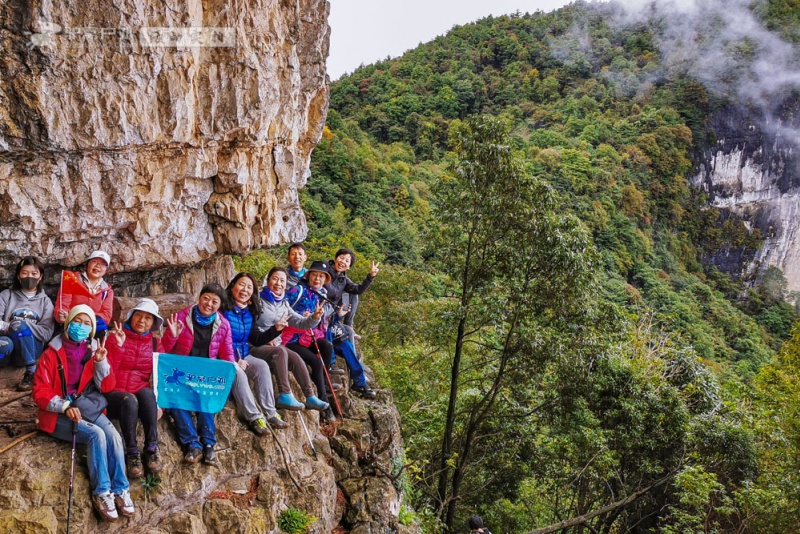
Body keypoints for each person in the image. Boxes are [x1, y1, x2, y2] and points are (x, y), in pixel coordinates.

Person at [32, 305, 134, 522]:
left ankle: (121, 488)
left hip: (86, 406)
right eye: (78, 321)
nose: (82, 326)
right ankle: (102, 492)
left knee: (113, 436)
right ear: (68, 323)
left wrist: (101, 362)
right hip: (57, 413)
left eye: (87, 323)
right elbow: (40, 391)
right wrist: (64, 407)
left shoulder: (92, 350)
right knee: (96, 435)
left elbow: (106, 387)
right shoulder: (51, 353)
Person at [161, 283, 235, 466]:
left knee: (206, 399)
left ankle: (209, 444)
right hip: (180, 373)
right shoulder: (181, 318)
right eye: (206, 298)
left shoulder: (223, 325)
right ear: (199, 298)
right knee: (176, 402)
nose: (209, 304)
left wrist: (231, 369)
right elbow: (163, 351)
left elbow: (227, 354)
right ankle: (192, 445)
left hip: (204, 375)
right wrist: (171, 335)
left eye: (215, 301)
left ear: (219, 305)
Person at [252, 266, 328, 414]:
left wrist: (315, 317)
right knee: (281, 351)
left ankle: (310, 396)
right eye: (275, 279)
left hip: (274, 346)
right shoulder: (257, 301)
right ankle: (285, 394)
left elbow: (301, 323)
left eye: (282, 281)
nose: (278, 283)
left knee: (296, 358)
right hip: (255, 344)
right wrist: (268, 336)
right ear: (268, 280)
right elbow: (250, 325)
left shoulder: (284, 304)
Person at [222, 272, 289, 434]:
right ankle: (254, 417)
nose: (244, 289)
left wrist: (276, 330)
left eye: (249, 287)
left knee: (262, 366)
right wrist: (235, 360)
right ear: (232, 286)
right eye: (241, 284)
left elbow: (256, 339)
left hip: (243, 354)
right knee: (239, 374)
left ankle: (271, 413)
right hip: (224, 357)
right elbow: (219, 340)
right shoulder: (223, 308)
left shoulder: (249, 312)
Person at [105, 299, 165, 478]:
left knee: (147, 394)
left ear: (153, 323)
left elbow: (163, 375)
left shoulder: (155, 344)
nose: (142, 320)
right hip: (114, 394)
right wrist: (118, 346)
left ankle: (151, 447)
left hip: (139, 393)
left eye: (148, 318)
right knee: (129, 400)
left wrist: (160, 405)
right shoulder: (115, 336)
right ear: (131, 317)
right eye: (138, 315)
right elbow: (106, 372)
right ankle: (132, 452)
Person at [282, 261, 345, 421]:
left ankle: (322, 381)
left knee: (327, 346)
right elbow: (282, 308)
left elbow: (323, 319)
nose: (317, 278)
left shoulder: (322, 293)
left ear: (325, 279)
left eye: (322, 276)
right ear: (309, 275)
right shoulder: (297, 290)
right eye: (315, 275)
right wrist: (302, 317)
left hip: (309, 337)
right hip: (291, 338)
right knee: (316, 362)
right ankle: (325, 405)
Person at [0, 256, 55, 391]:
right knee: (4, 343)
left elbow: (46, 334)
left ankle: (30, 371)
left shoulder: (45, 302)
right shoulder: (6, 295)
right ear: (18, 276)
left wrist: (20, 325)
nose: (29, 277)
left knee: (19, 325)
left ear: (40, 277)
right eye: (24, 273)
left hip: (30, 349)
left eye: (34, 273)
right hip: (7, 347)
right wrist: (10, 327)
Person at [324, 248, 380, 352]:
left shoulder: (343, 279)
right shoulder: (324, 270)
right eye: (341, 258)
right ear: (336, 258)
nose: (342, 262)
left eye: (346, 261)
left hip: (334, 309)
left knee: (354, 294)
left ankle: (348, 324)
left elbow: (359, 289)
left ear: (348, 267)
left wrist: (371, 276)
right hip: (322, 308)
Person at [54, 250, 114, 338]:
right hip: (70, 326)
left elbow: (106, 315)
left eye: (103, 264)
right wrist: (61, 316)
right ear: (87, 264)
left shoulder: (107, 291)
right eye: (94, 261)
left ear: (106, 270)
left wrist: (86, 322)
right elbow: (62, 305)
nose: (97, 265)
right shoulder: (72, 281)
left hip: (91, 330)